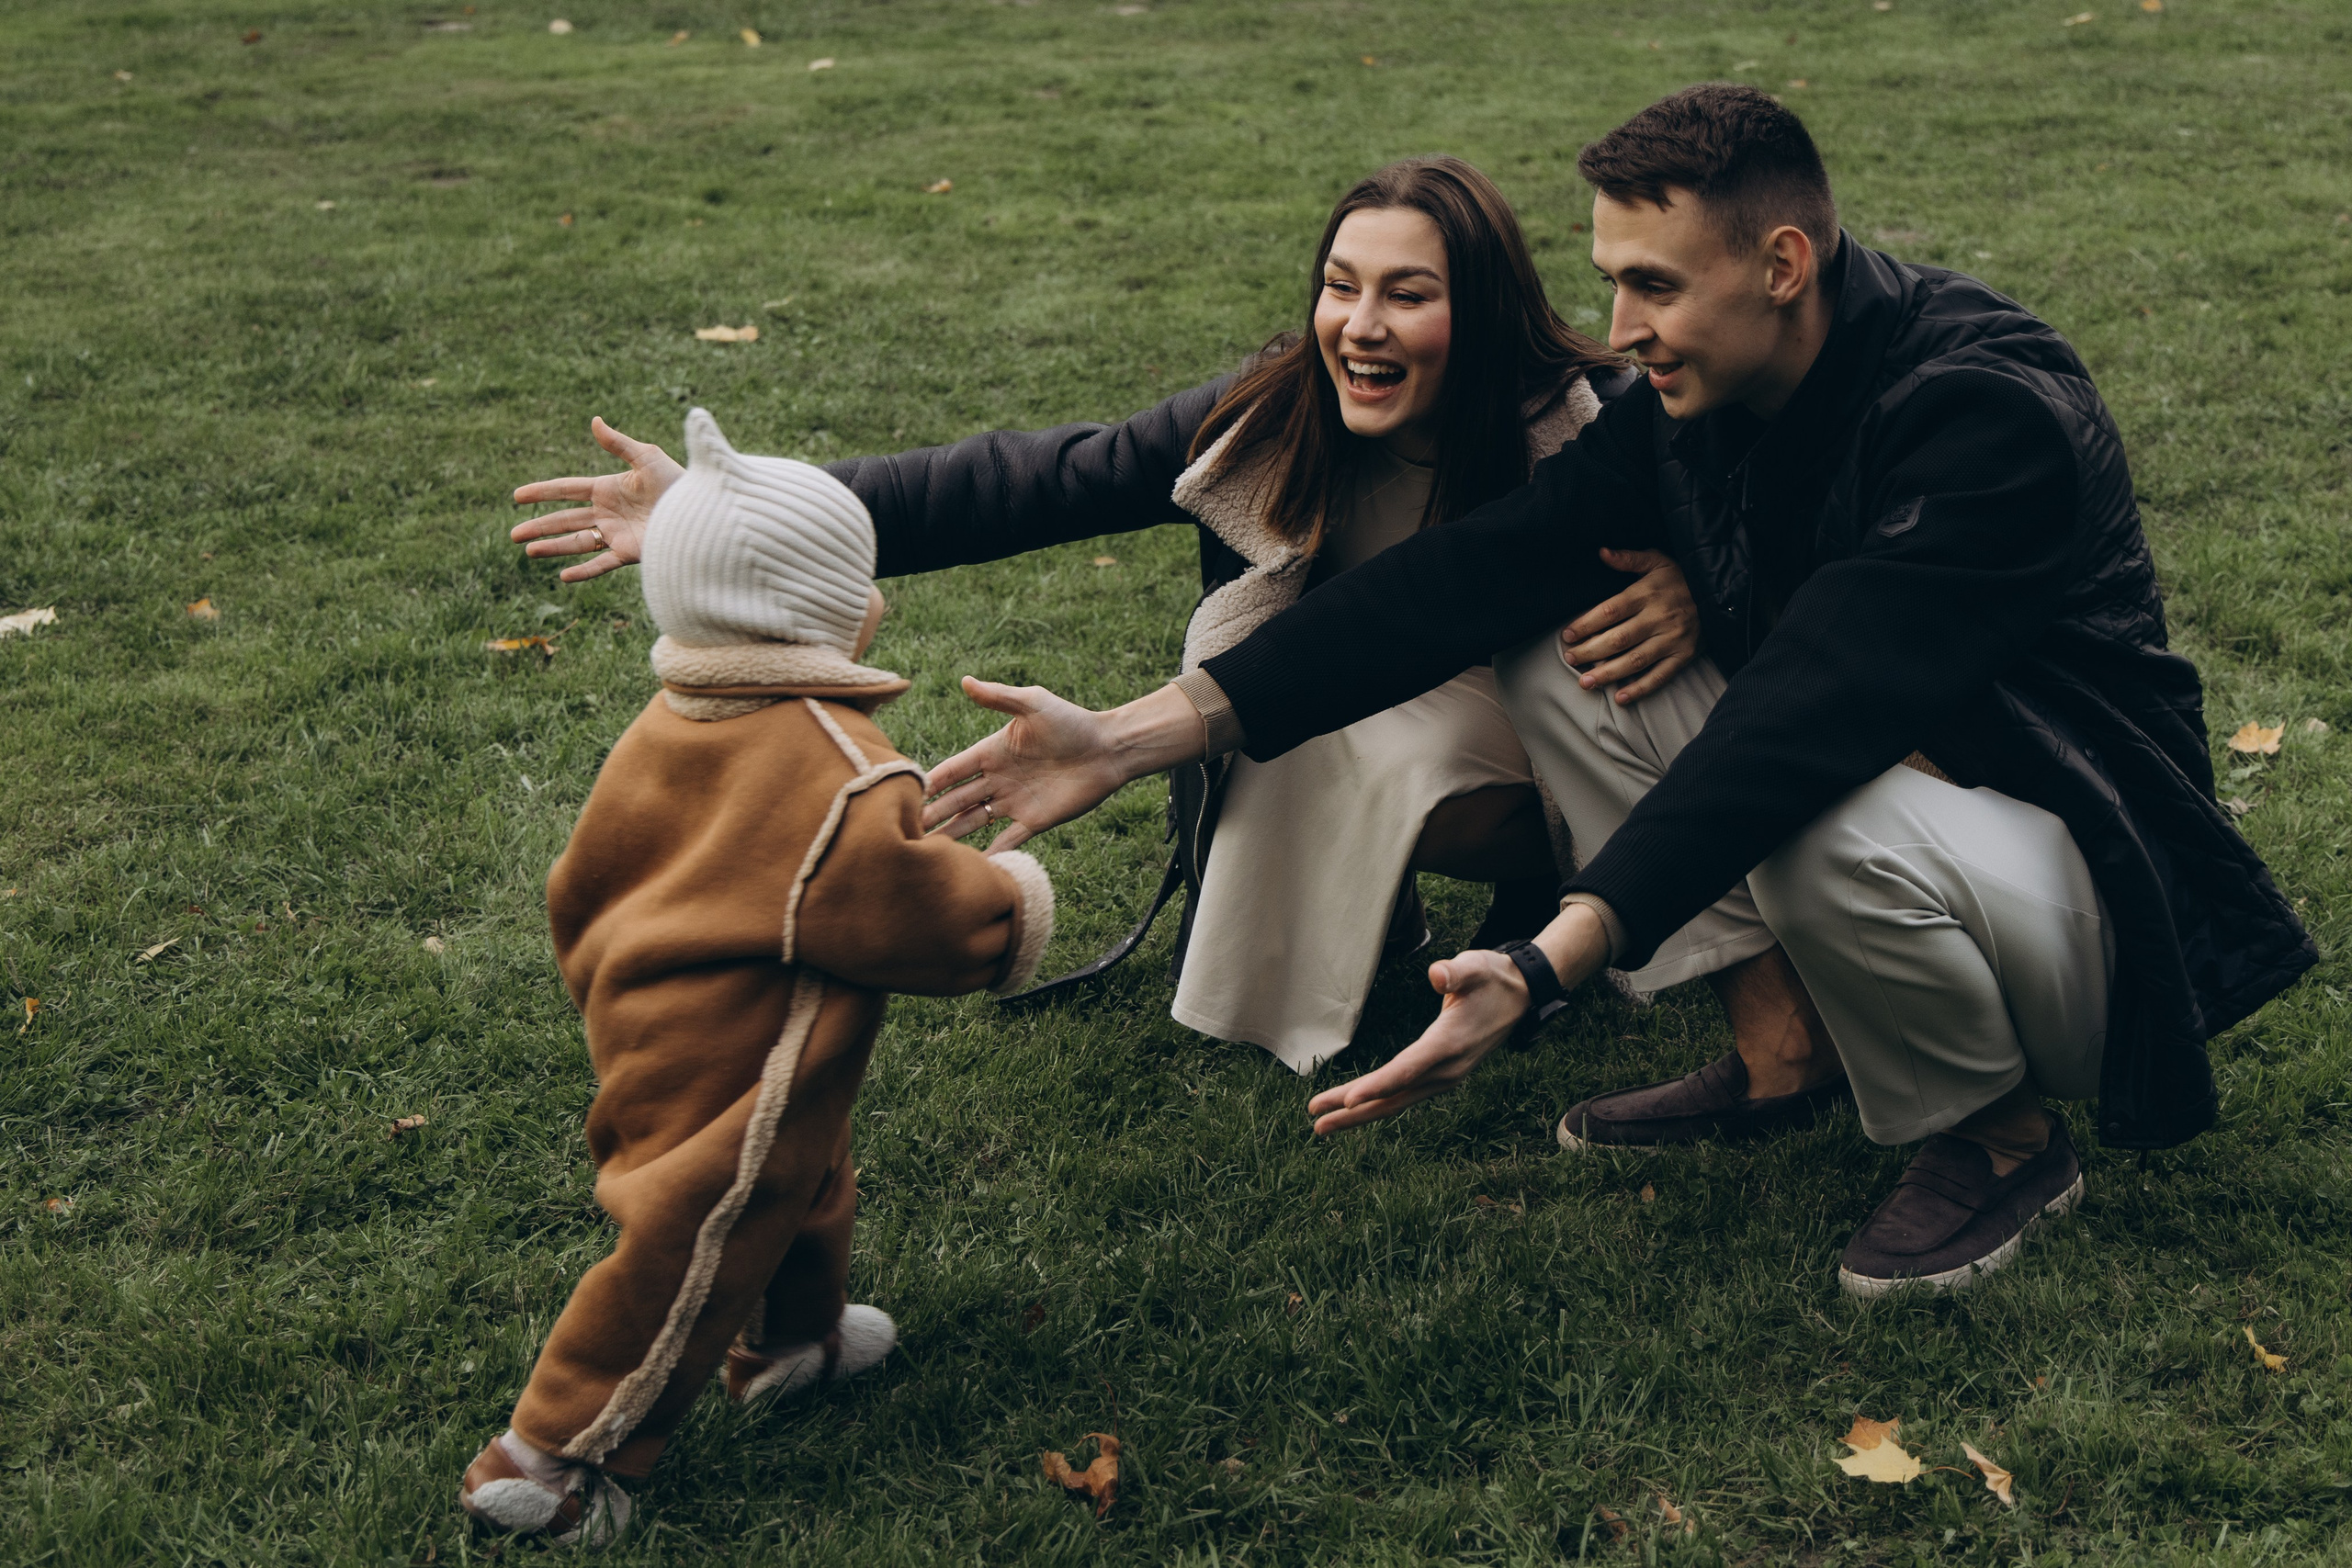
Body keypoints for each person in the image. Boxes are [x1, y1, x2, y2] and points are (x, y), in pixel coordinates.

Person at [917, 85, 2315, 1295]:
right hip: (1913, 811)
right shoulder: (1701, 403)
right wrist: (1135, 738)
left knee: (1809, 805)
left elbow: (1804, 717)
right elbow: (1463, 579)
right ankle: (1781, 1054)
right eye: (1610, 282)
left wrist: (1548, 959)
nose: (1620, 327)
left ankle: (2000, 1139)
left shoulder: (1984, 412)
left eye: (1653, 285)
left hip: (2089, 883)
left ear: (1782, 263)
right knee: (1564, 644)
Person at [508, 157, 1833, 1077]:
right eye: (1340, 285)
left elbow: (1783, 525)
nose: (1360, 325)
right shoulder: (1274, 414)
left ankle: (1561, 917)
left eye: (1407, 294)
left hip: (1550, 744)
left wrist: (1695, 580)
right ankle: (1369, 942)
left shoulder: (1595, 420)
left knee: (1443, 720)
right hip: (1344, 695)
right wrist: (734, 504)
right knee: (1301, 697)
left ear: (1478, 312)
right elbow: (1026, 480)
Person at [460, 411, 1056, 1544]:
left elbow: (587, 873)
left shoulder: (681, 713)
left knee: (805, 1177)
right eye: (862, 580)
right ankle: (554, 1457)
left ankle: (793, 1344)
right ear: (821, 611)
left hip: (647, 1001)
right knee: (697, 1231)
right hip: (740, 1043)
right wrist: (1010, 901)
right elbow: (909, 913)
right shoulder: (836, 771)